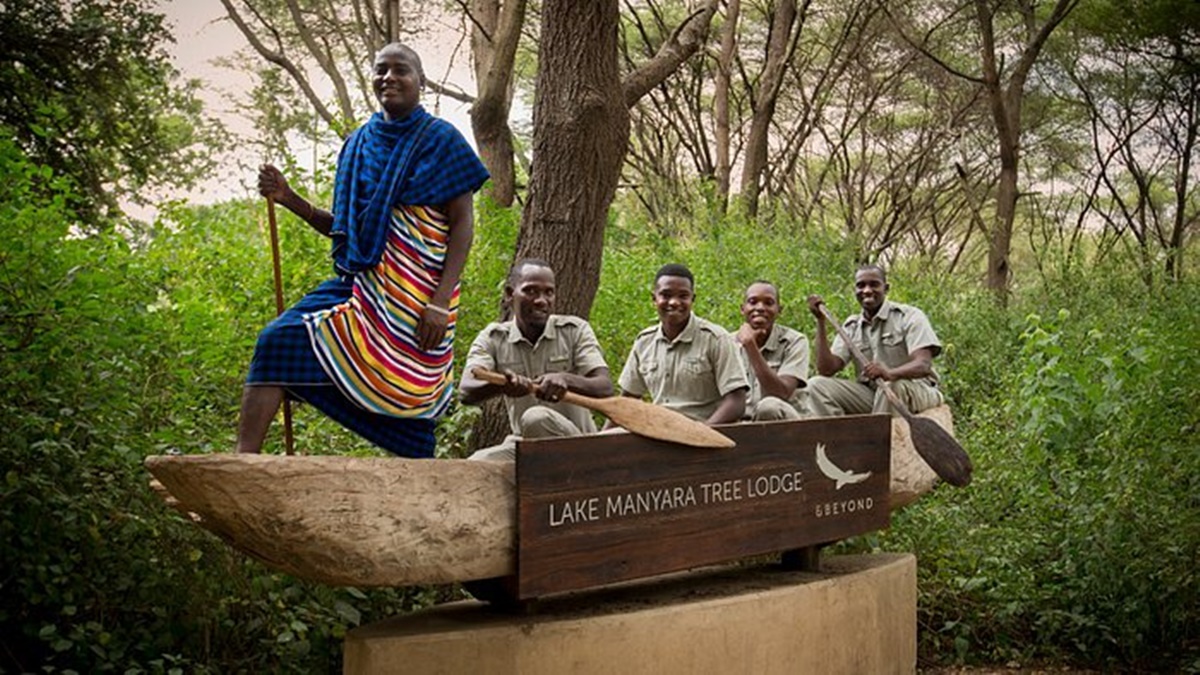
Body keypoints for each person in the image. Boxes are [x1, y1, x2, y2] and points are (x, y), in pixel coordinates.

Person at [239, 42, 489, 457]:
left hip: (419, 297)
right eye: (381, 70)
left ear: (421, 82)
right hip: (361, 286)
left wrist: (441, 301)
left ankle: (418, 474)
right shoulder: (358, 145)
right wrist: (289, 197)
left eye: (401, 70)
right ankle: (243, 462)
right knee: (275, 341)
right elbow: (345, 232)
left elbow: (463, 226)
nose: (389, 77)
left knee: (410, 389)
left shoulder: (443, 141)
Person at [459, 259, 612, 462]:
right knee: (474, 466)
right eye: (531, 291)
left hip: (578, 445)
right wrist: (503, 386)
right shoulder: (493, 337)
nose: (542, 300)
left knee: (536, 418)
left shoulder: (575, 330)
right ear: (509, 294)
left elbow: (604, 387)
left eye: (549, 292)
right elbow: (466, 390)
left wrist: (565, 379)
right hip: (526, 446)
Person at [615, 264, 748, 425]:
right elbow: (628, 400)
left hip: (706, 431)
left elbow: (736, 401)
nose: (674, 302)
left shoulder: (716, 339)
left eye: (683, 296)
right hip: (659, 431)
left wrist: (702, 432)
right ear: (654, 299)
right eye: (666, 295)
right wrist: (600, 439)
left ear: (693, 299)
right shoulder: (644, 342)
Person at [805, 264, 943, 417]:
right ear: (855, 291)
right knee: (816, 385)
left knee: (892, 386)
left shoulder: (909, 316)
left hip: (915, 390)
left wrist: (889, 373)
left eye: (874, 284)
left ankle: (878, 440)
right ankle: (835, 440)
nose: (867, 290)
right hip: (874, 394)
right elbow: (827, 369)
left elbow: (923, 365)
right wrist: (820, 321)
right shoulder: (852, 326)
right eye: (861, 285)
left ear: (886, 288)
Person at [734, 281, 810, 421]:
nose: (760, 308)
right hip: (743, 424)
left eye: (769, 303)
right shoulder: (727, 343)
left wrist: (751, 346)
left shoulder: (794, 341)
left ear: (779, 310)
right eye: (753, 302)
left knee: (769, 406)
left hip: (785, 423)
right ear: (742, 309)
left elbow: (781, 393)